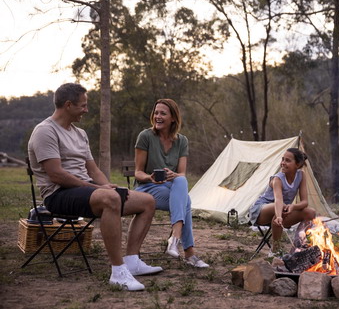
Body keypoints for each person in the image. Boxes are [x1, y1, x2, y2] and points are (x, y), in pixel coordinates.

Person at [27, 83, 162, 291]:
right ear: (68, 105)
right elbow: (56, 175)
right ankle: (118, 272)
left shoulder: (80, 133)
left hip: (85, 190)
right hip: (58, 194)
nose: (86, 110)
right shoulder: (45, 131)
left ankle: (132, 261)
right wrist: (96, 189)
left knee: (147, 201)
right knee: (110, 198)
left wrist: (104, 184)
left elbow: (93, 169)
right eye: (83, 105)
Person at [134, 99, 209, 268]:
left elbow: (181, 173)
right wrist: (150, 177)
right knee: (186, 201)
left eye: (163, 113)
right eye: (156, 113)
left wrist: (174, 175)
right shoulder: (145, 136)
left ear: (173, 118)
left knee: (181, 180)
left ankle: (175, 240)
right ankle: (188, 252)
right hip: (146, 188)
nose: (158, 116)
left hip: (171, 187)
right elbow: (138, 172)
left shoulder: (182, 141)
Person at [249, 148, 316, 255]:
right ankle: (275, 249)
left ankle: (298, 246)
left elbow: (304, 202)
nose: (283, 163)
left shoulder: (301, 176)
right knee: (280, 209)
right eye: (283, 159)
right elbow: (278, 200)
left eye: (288, 161)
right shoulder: (277, 179)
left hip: (281, 212)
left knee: (310, 212)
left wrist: (293, 207)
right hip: (261, 211)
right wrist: (279, 215)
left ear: (297, 165)